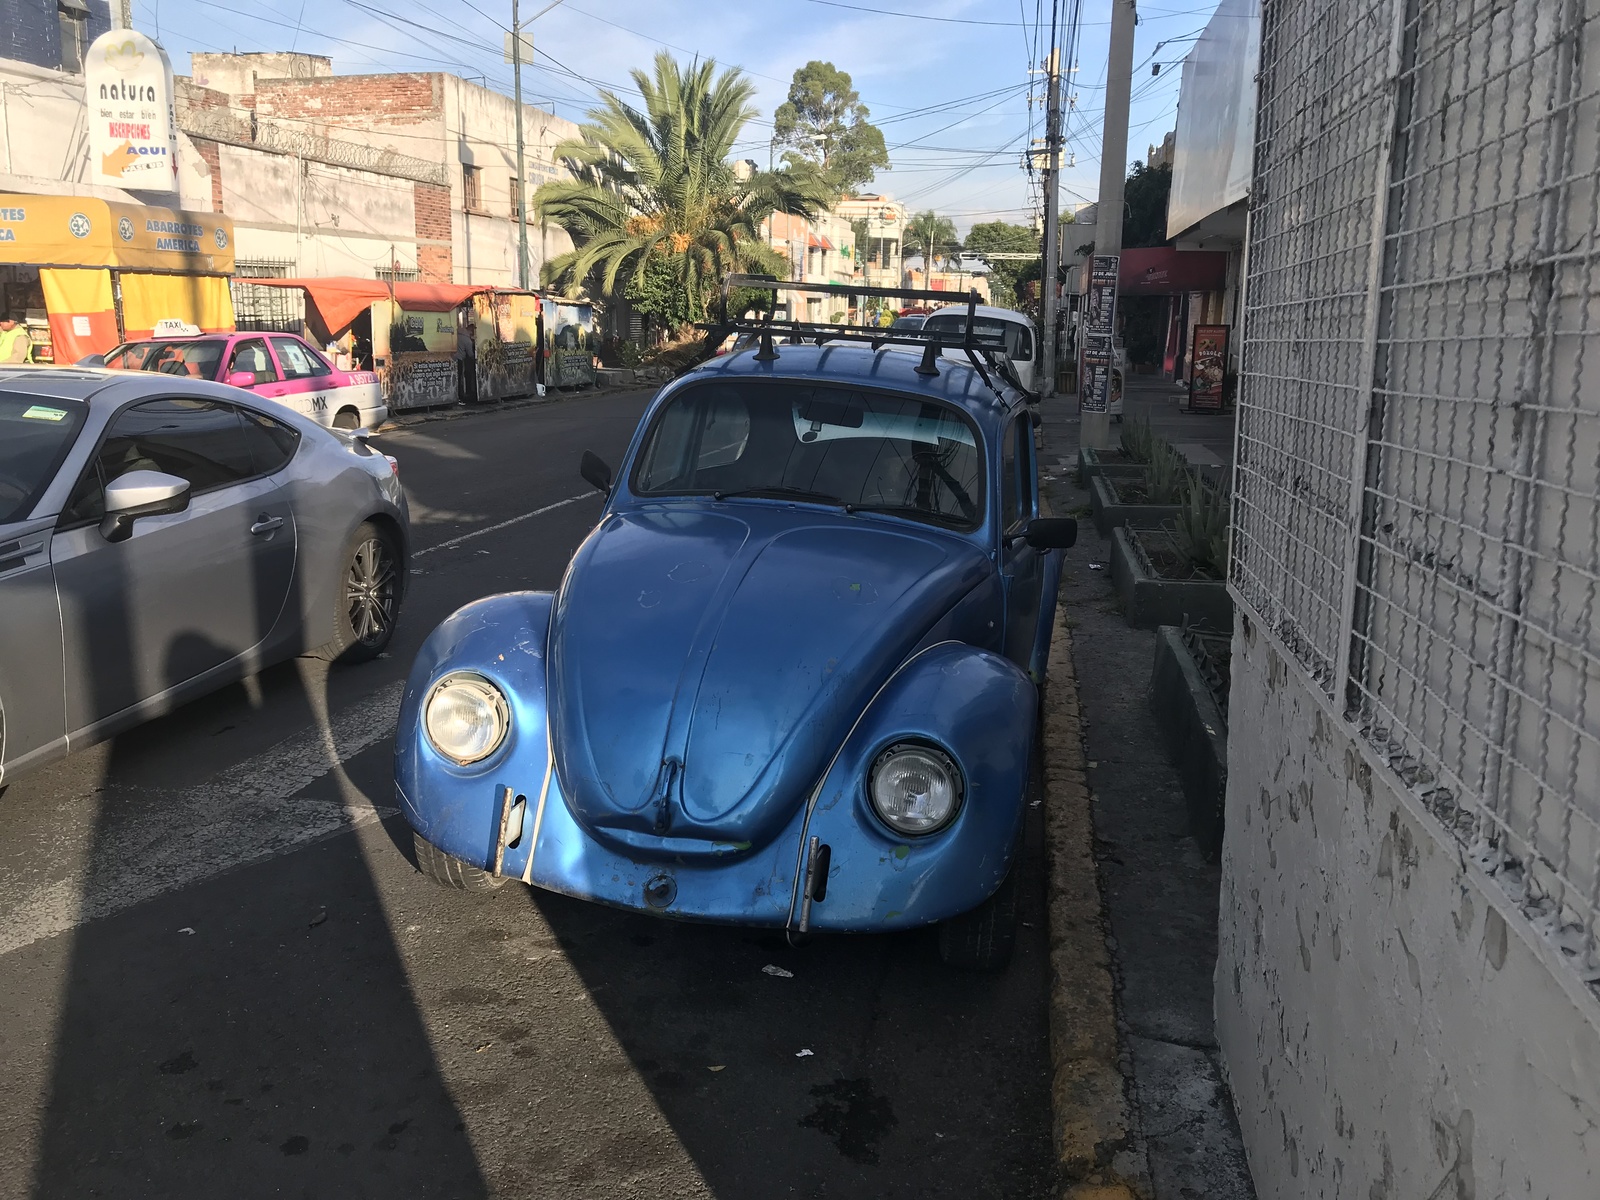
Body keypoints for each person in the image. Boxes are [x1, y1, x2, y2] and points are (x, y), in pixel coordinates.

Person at [456, 312, 478, 404]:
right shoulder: (467, 341)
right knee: (459, 379)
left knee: (456, 379)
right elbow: (470, 355)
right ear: (472, 332)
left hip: (452, 358)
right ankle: (460, 398)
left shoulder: (458, 332)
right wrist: (477, 361)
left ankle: (458, 397)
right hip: (459, 360)